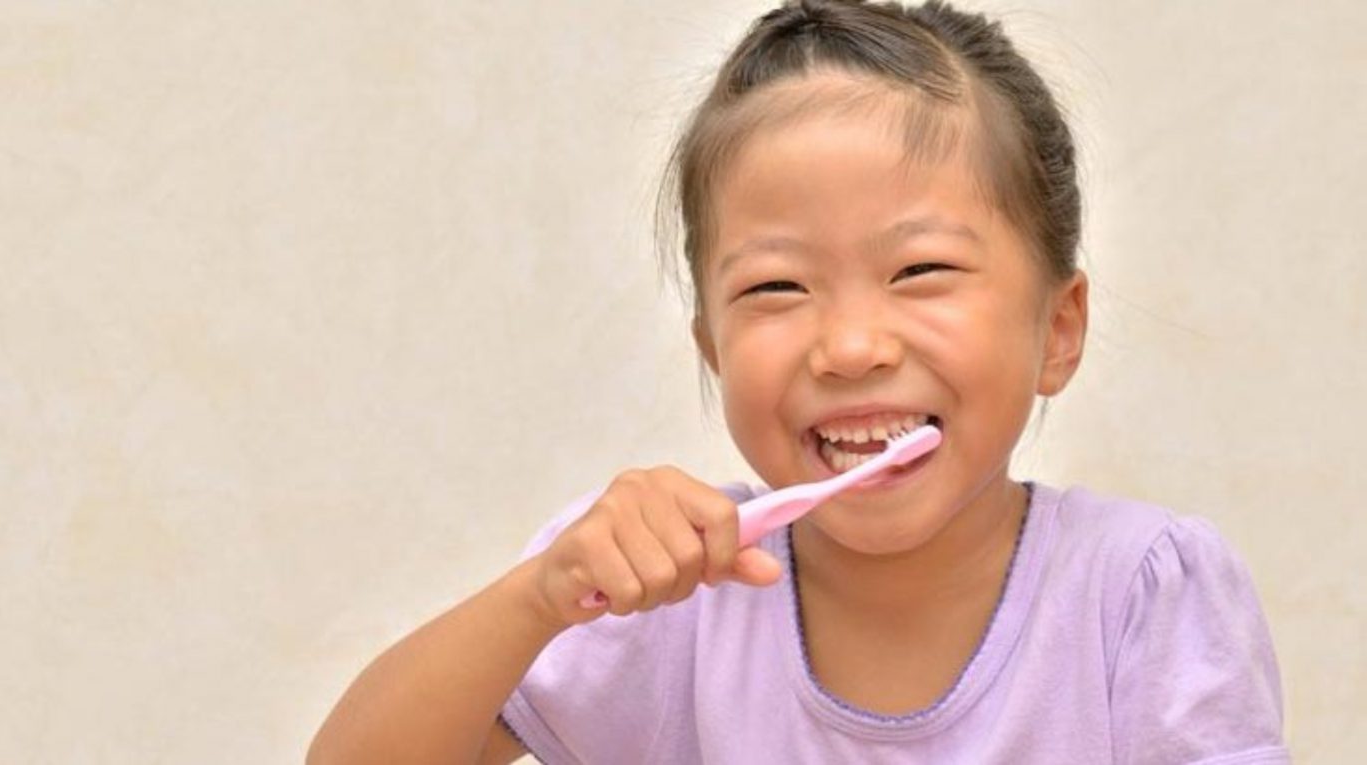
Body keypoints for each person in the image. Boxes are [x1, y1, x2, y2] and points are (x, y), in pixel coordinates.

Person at [308, 1, 1288, 762]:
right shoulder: (666, 605)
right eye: (776, 287)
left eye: (920, 272)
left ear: (1055, 330)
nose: (849, 345)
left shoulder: (1141, 594)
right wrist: (537, 597)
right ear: (712, 348)